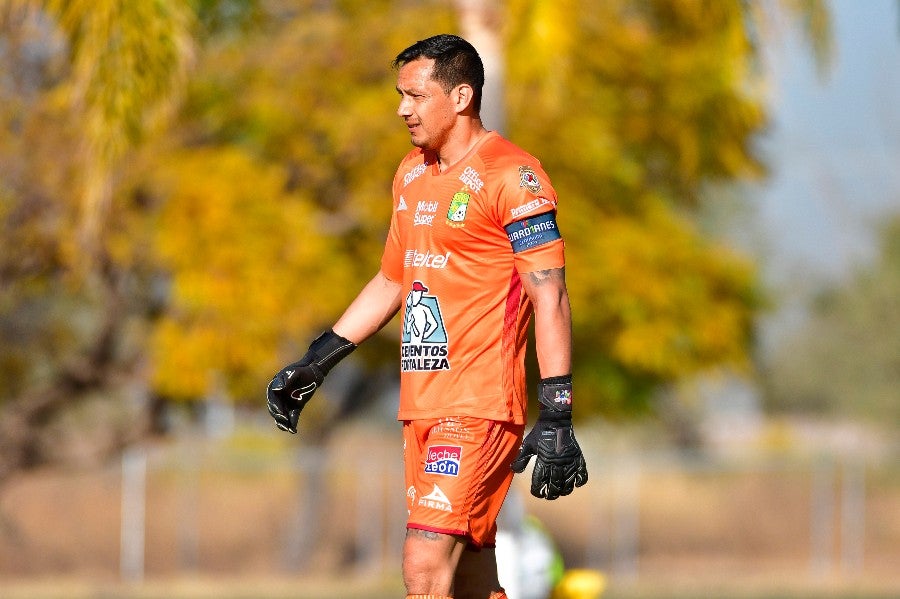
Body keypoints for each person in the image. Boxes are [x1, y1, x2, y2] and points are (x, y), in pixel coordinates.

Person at [266, 34, 588, 599]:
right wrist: (316, 361)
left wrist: (557, 411)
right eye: (400, 95)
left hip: (479, 404)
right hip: (422, 405)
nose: (402, 109)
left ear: (461, 96)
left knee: (423, 563)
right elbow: (394, 278)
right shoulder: (411, 173)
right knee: (468, 577)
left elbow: (550, 295)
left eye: (415, 95)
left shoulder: (514, 176)